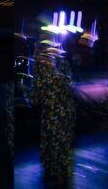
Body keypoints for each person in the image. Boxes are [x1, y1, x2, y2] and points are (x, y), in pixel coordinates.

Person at [31, 32, 76, 187]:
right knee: (60, 140)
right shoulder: (55, 61)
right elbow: (68, 81)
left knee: (56, 140)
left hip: (56, 110)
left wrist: (34, 97)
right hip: (61, 109)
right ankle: (60, 171)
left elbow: (40, 88)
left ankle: (57, 172)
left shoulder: (43, 64)